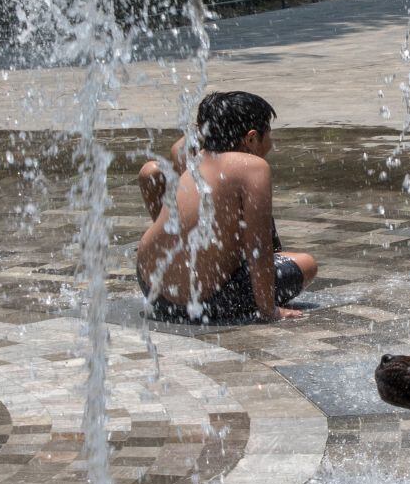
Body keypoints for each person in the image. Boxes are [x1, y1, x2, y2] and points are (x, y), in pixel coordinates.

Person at [136, 91, 318, 323]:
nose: (272, 143)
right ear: (251, 138)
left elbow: (171, 154)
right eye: (269, 134)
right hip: (202, 303)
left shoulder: (191, 156)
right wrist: (269, 309)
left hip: (152, 288)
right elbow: (259, 248)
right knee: (306, 264)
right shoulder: (253, 167)